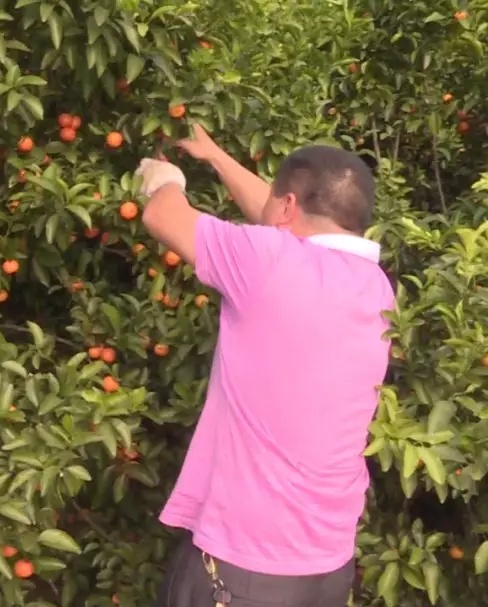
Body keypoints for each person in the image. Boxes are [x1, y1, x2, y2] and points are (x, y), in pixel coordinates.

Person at [135, 125, 395, 607]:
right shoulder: (377, 287)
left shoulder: (269, 262)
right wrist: (215, 155)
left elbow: (162, 213)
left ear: (290, 207)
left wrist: (164, 176)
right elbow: (280, 214)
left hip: (242, 572)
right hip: (327, 567)